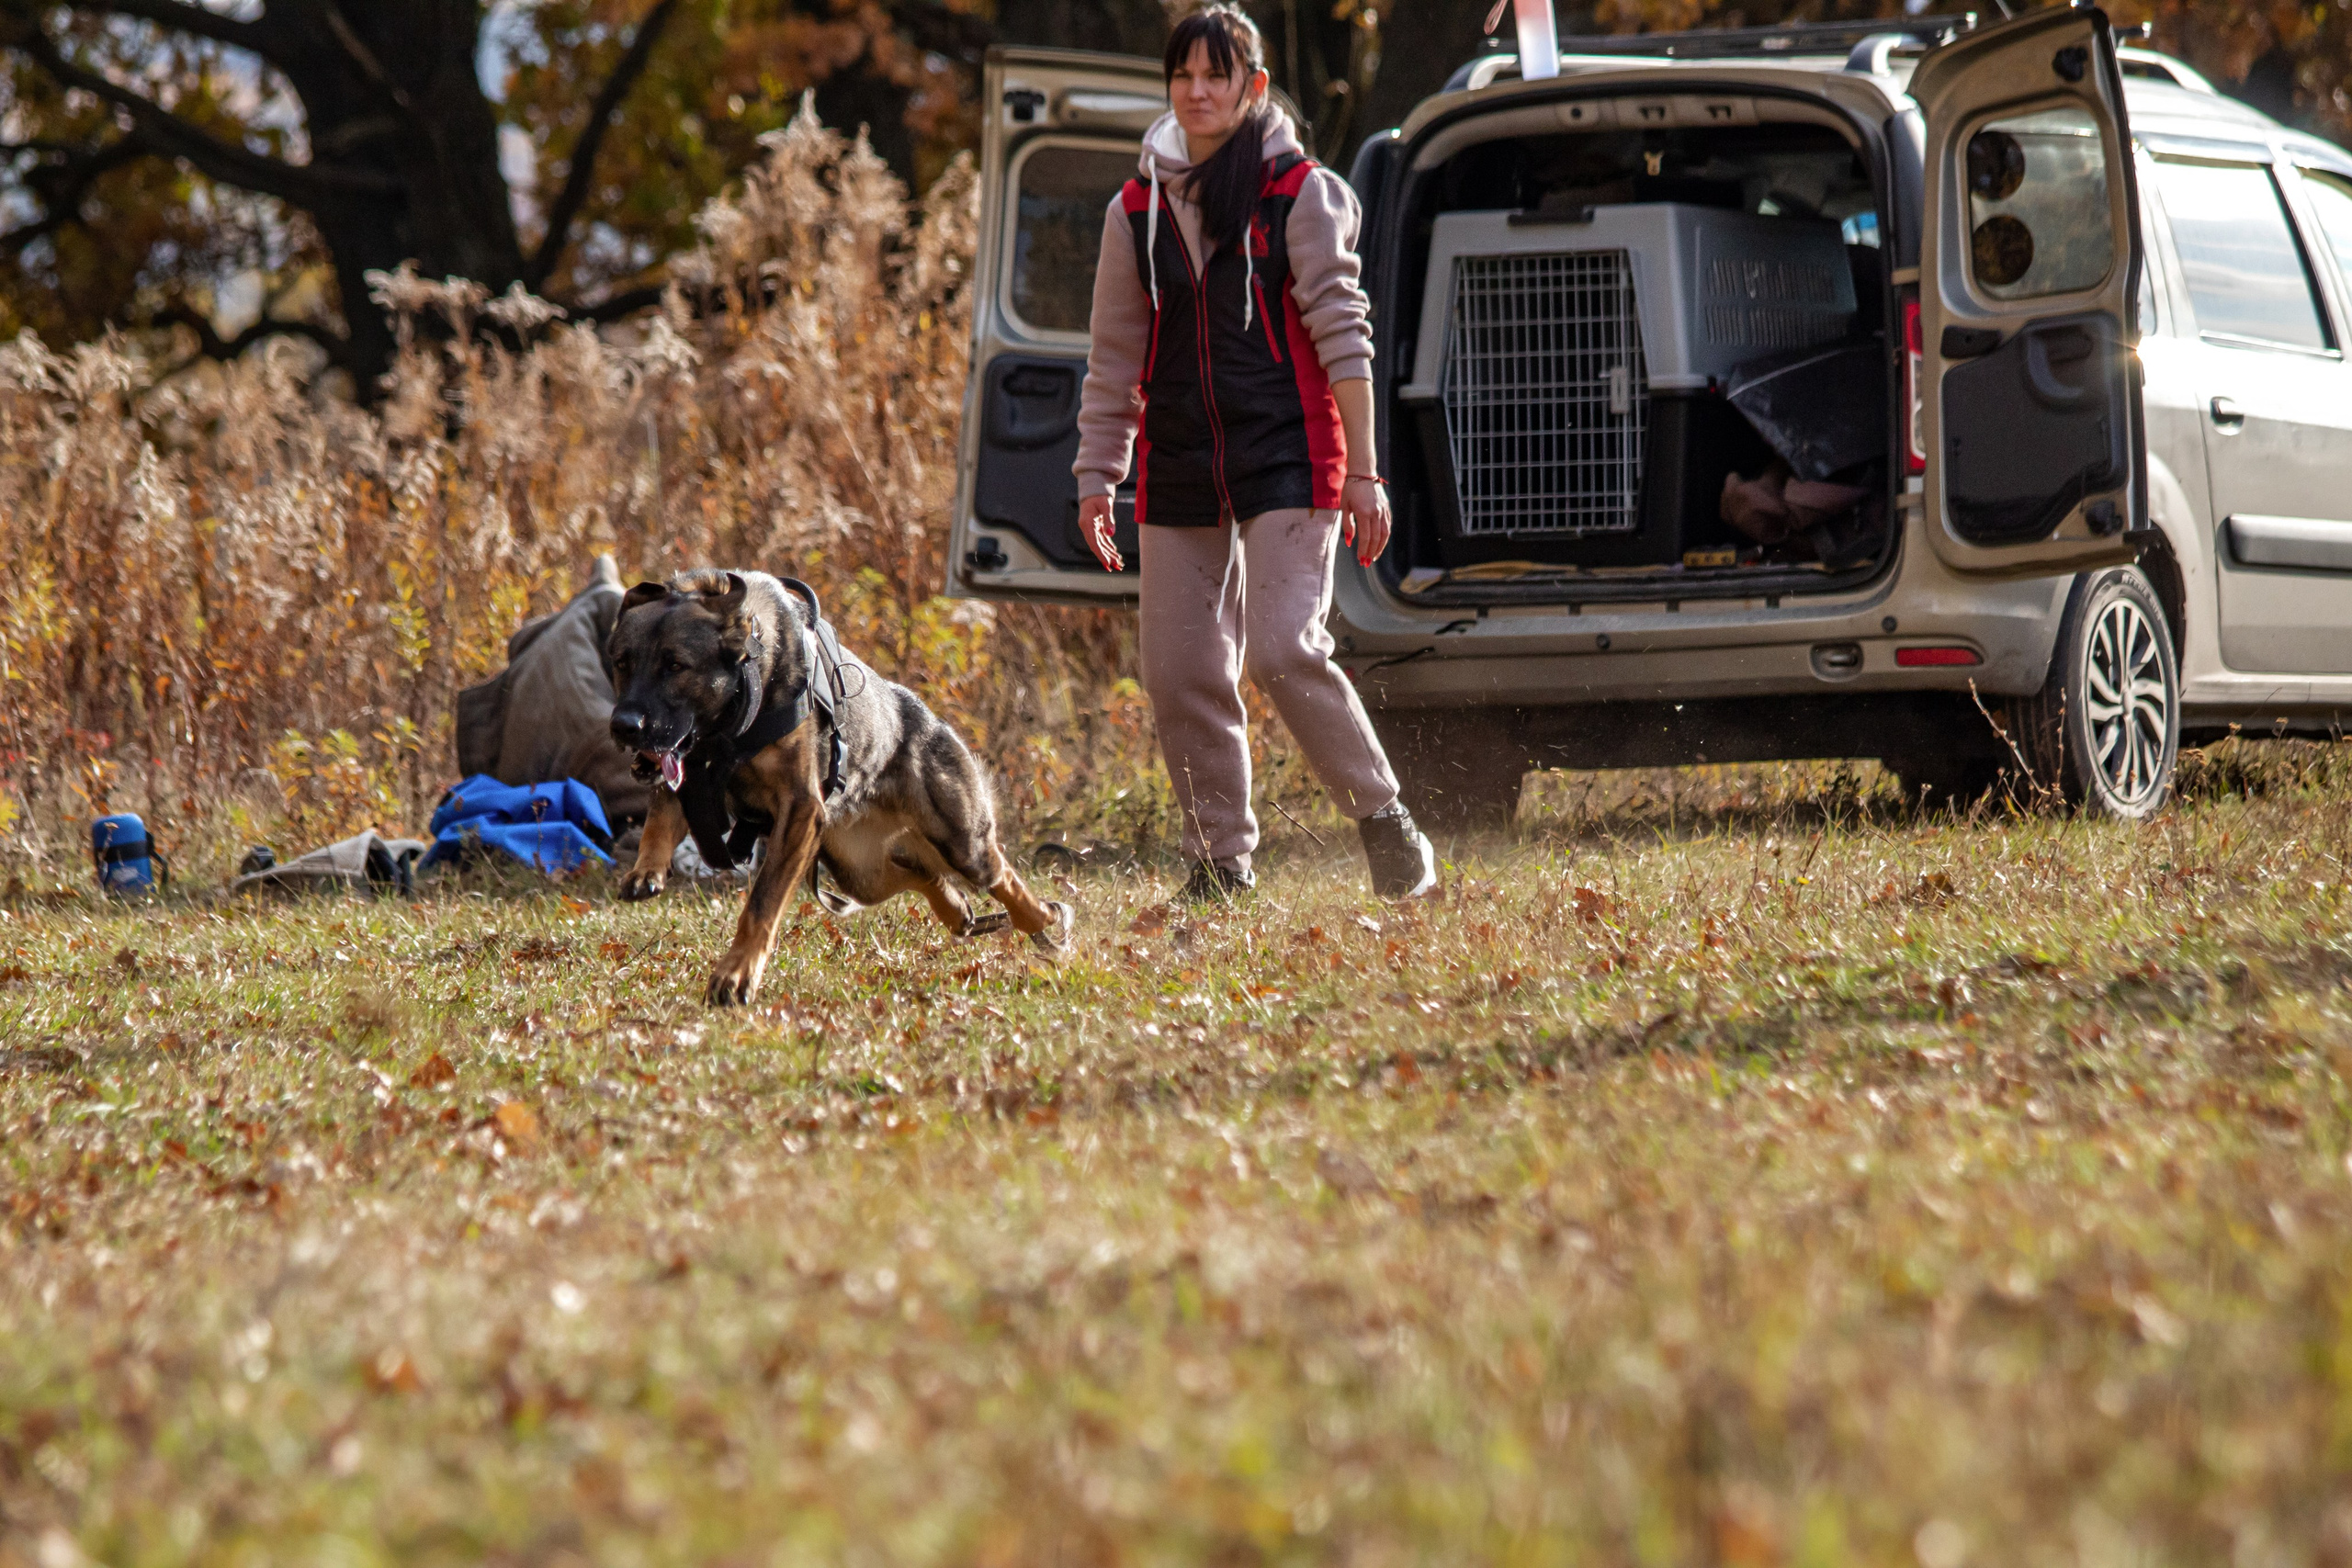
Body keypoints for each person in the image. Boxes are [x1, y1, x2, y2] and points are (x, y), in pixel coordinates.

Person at [1073, 2, 1437, 904]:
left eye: (1217, 75)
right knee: (1179, 668)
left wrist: (1363, 472)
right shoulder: (1134, 209)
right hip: (1182, 457)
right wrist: (1095, 479)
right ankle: (1219, 863)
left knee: (1281, 648)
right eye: (1183, 75)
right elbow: (1115, 358)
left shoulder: (1298, 195)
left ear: (1253, 87)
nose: (1198, 91)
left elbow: (1345, 341)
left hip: (1291, 448)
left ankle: (1383, 816)